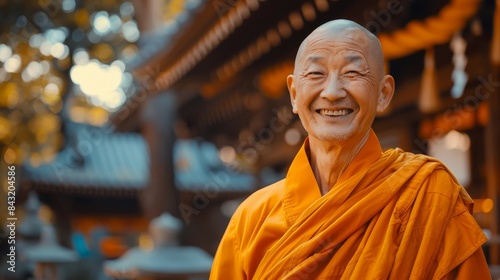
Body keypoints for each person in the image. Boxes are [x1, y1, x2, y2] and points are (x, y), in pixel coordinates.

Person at [209, 19, 491, 279]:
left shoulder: (429, 196)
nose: (332, 92)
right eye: (316, 73)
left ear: (383, 94)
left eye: (352, 72)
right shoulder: (251, 219)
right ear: (294, 94)